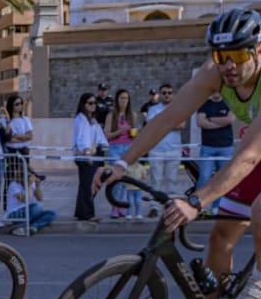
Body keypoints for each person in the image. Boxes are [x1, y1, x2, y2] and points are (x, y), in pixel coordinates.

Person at [96, 8, 261, 299]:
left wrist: (196, 201)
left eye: (237, 55)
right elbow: (167, 119)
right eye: (221, 56)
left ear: (259, 51)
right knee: (220, 239)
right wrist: (122, 163)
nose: (228, 66)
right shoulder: (215, 73)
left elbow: (249, 155)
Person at [143, 83, 184, 215]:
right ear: (160, 95)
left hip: (174, 149)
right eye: (164, 93)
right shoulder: (153, 109)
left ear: (173, 94)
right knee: (156, 180)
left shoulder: (179, 108)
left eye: (169, 93)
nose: (167, 95)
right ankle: (153, 207)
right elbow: (152, 126)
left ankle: (170, 207)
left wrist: (163, 124)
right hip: (157, 149)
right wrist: (171, 124)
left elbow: (182, 125)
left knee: (172, 181)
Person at [196, 88, 235, 202]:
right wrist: (221, 123)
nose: (215, 92)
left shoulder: (228, 103)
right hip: (208, 147)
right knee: (204, 177)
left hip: (225, 147)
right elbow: (200, 122)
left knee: (223, 179)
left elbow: (230, 119)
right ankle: (199, 205)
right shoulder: (204, 104)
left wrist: (211, 119)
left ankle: (218, 207)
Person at [72, 93, 107, 221]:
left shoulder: (92, 119)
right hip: (85, 155)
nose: (93, 106)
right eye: (90, 103)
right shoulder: (81, 119)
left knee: (87, 184)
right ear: (83, 104)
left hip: (94, 153)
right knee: (88, 184)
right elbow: (82, 139)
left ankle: (81, 212)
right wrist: (87, 155)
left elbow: (99, 136)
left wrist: (104, 148)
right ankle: (87, 214)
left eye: (94, 103)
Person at [103, 88, 136, 217]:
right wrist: (120, 131)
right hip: (115, 147)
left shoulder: (132, 115)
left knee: (125, 180)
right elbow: (107, 135)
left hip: (128, 147)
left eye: (126, 98)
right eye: (122, 98)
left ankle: (122, 206)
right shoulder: (111, 116)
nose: (124, 101)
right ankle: (114, 207)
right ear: (117, 100)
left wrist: (134, 133)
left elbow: (134, 134)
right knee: (115, 178)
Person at [2, 94, 33, 199]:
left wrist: (17, 136)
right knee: (10, 177)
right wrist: (19, 137)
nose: (19, 106)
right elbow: (8, 138)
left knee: (24, 175)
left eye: (21, 104)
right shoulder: (6, 120)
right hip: (11, 151)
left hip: (23, 150)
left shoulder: (25, 119)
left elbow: (30, 136)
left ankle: (25, 199)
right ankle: (8, 202)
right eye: (17, 104)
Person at [6, 169, 56, 235]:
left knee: (52, 213)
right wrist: (29, 185)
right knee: (38, 207)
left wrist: (37, 186)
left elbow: (40, 198)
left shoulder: (31, 184)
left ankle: (32, 227)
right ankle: (28, 224)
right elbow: (25, 200)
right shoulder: (13, 185)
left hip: (30, 212)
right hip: (16, 214)